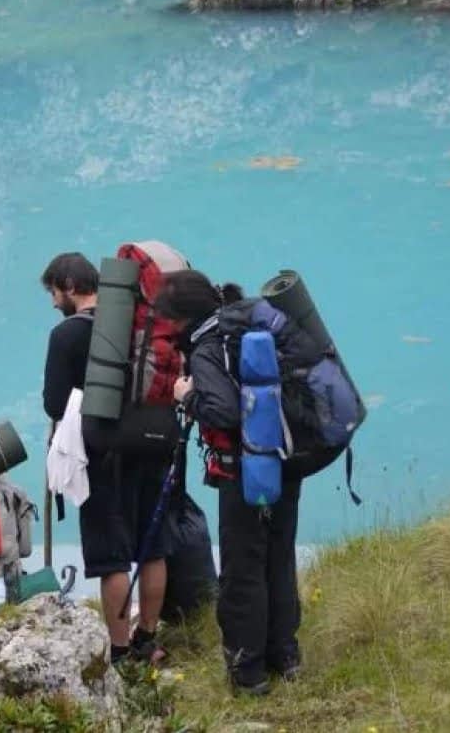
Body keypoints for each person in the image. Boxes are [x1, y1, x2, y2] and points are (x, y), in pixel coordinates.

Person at [40, 252, 213, 665]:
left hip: (103, 454)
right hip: (156, 443)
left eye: (53, 292)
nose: (52, 303)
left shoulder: (68, 335)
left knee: (112, 557)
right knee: (153, 548)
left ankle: (119, 649)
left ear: (68, 285)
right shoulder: (143, 324)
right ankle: (147, 639)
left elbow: (54, 404)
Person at [156, 269, 302, 696]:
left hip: (243, 472)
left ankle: (248, 673)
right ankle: (286, 657)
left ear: (182, 319)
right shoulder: (246, 323)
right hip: (284, 460)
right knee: (278, 559)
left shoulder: (208, 346)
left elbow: (222, 412)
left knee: (242, 572)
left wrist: (186, 395)